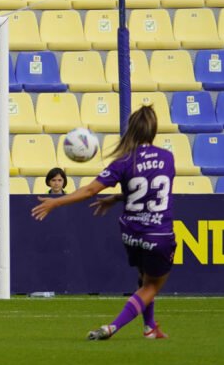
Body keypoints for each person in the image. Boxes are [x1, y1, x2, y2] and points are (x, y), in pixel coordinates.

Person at [32, 106, 173, 340]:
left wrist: (57, 203)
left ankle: (149, 328)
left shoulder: (124, 161)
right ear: (154, 130)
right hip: (158, 233)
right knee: (152, 286)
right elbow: (153, 191)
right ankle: (112, 327)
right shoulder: (168, 158)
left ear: (131, 130)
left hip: (132, 232)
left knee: (143, 278)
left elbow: (89, 190)